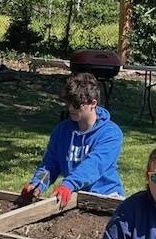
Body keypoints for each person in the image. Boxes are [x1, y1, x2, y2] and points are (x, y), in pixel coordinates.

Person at [21, 73, 124, 206]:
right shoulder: (61, 130)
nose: (70, 108)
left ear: (93, 103)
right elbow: (50, 164)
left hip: (106, 196)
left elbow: (94, 164)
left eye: (76, 105)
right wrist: (37, 184)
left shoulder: (111, 134)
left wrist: (68, 184)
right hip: (74, 199)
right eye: (69, 103)